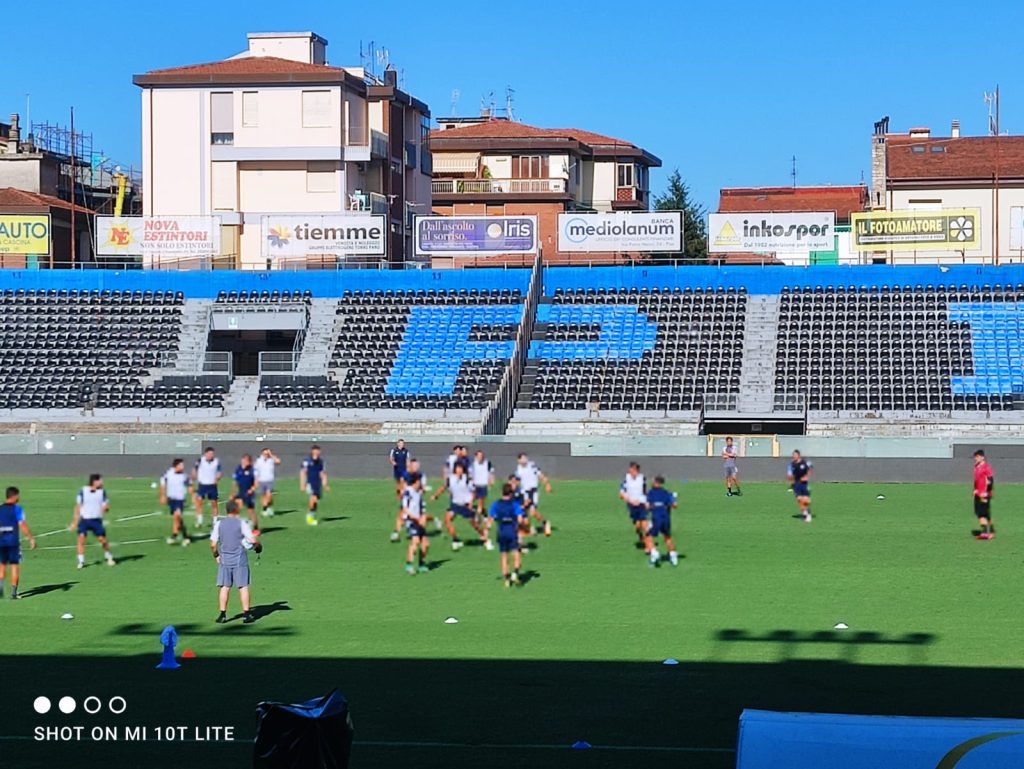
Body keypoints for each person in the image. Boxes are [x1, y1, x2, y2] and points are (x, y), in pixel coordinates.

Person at [211, 499, 261, 624]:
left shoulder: (219, 524)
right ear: (236, 510)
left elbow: (213, 544)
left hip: (225, 559)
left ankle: (222, 614)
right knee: (243, 586)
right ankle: (246, 614)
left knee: (225, 587)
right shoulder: (241, 523)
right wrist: (258, 546)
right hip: (239, 559)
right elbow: (252, 540)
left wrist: (216, 555)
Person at [433, 462, 490, 550]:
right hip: (455, 504)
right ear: (455, 469)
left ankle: (485, 538)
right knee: (447, 520)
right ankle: (456, 540)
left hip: (465, 505)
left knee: (473, 524)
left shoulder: (467, 479)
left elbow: (474, 492)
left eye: (461, 469)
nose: (459, 471)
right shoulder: (450, 479)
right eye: (457, 469)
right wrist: (436, 495)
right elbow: (444, 487)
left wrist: (471, 502)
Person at [69, 473, 115, 569]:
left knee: (102, 540)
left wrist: (105, 508)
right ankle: (81, 561)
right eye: (100, 480)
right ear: (94, 481)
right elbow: (78, 506)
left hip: (96, 520)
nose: (102, 482)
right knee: (81, 539)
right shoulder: (83, 491)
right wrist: (75, 521)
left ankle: (108, 555)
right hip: (84, 520)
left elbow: (105, 505)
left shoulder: (102, 492)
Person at [0, 486, 36, 599]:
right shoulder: (17, 509)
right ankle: (13, 593)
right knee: (14, 566)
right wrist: (31, 538)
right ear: (14, 496)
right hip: (13, 542)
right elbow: (22, 525)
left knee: (2, 566)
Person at [490, 483, 525, 587]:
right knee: (516, 554)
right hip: (511, 531)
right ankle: (515, 573)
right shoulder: (515, 504)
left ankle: (506, 579)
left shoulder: (496, 504)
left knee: (504, 556)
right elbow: (520, 519)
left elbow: (490, 519)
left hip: (501, 532)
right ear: (512, 493)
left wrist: (485, 532)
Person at [515, 453, 553, 536]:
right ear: (519, 460)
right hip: (523, 493)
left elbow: (540, 475)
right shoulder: (518, 470)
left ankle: (545, 523)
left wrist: (546, 484)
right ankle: (529, 529)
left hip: (532, 492)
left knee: (532, 512)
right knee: (523, 513)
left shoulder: (532, 466)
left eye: (525, 458)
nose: (525, 460)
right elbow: (517, 483)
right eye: (523, 459)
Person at [646, 476, 680, 567]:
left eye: (653, 481)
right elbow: (675, 506)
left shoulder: (651, 493)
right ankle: (674, 558)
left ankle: (654, 553)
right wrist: (673, 500)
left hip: (656, 519)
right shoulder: (667, 493)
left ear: (657, 483)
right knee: (667, 537)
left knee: (648, 536)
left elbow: (648, 507)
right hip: (666, 519)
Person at [401, 473, 430, 575]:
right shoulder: (408, 492)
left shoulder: (419, 493)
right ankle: (409, 565)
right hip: (411, 521)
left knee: (425, 544)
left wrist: (424, 517)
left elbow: (421, 508)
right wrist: (415, 518)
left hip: (419, 521)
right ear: (416, 481)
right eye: (420, 481)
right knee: (415, 541)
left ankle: (421, 564)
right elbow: (404, 508)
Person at [160, 458, 192, 546]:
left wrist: (192, 494)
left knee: (177, 516)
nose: (183, 467)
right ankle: (185, 536)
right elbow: (163, 483)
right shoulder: (169, 474)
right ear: (176, 466)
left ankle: (174, 536)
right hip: (171, 499)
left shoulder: (184, 476)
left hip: (180, 499)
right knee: (178, 518)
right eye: (181, 465)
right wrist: (162, 495)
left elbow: (189, 485)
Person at [619, 462, 651, 551]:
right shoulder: (626, 479)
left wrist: (647, 502)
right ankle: (641, 537)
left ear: (636, 470)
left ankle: (648, 546)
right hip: (632, 505)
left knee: (644, 525)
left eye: (632, 470)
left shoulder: (642, 478)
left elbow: (645, 491)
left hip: (641, 504)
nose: (631, 471)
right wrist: (630, 500)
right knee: (637, 526)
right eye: (630, 469)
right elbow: (621, 493)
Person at [191, 447, 222, 528]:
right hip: (202, 485)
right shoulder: (200, 460)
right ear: (205, 454)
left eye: (212, 454)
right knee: (199, 502)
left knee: (214, 504)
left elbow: (219, 472)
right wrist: (193, 478)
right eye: (209, 454)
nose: (211, 455)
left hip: (212, 485)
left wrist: (217, 478)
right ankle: (199, 521)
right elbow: (194, 470)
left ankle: (215, 522)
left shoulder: (216, 461)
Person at [300, 445, 329, 526]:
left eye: (318, 451)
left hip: (317, 484)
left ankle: (311, 516)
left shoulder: (321, 462)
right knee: (313, 499)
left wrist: (325, 485)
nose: (316, 453)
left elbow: (323, 474)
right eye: (315, 451)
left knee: (315, 502)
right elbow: (303, 472)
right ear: (312, 452)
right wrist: (302, 484)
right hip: (310, 483)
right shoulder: (307, 461)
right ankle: (309, 517)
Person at [232, 454, 259, 531]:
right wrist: (233, 493)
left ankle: (256, 528)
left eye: (246, 460)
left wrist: (252, 490)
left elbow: (257, 483)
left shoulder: (253, 470)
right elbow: (235, 482)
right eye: (243, 460)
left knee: (250, 510)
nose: (244, 462)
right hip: (241, 492)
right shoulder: (238, 469)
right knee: (236, 508)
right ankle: (236, 526)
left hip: (249, 493)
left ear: (249, 462)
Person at [470, 449, 496, 529]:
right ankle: (485, 516)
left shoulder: (487, 463)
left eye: (481, 456)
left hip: (483, 486)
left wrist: (491, 480)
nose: (480, 458)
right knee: (470, 503)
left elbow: (491, 473)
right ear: (476, 456)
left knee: (480, 504)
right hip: (475, 486)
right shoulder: (473, 464)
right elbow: (470, 474)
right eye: (478, 456)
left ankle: (477, 519)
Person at [973, 449, 995, 540]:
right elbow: (976, 480)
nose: (976, 459)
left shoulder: (986, 467)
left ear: (982, 457)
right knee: (982, 513)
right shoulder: (976, 467)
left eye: (977, 457)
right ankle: (992, 531)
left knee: (982, 513)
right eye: (975, 457)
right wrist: (975, 490)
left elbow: (990, 481)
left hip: (984, 494)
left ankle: (985, 533)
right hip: (978, 493)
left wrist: (986, 493)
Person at [253, 447, 281, 518]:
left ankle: (267, 508)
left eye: (267, 454)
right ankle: (265, 510)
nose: (266, 455)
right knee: (263, 496)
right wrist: (255, 480)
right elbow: (255, 470)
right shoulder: (259, 461)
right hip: (261, 481)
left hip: (269, 481)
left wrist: (271, 454)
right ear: (262, 454)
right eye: (264, 454)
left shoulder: (271, 460)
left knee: (269, 496)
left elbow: (278, 461)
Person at [788, 450, 813, 523]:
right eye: (793, 455)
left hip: (804, 484)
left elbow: (810, 469)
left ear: (799, 455)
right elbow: (790, 474)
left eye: (795, 455)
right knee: (799, 500)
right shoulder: (792, 464)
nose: (794, 456)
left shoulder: (804, 463)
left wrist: (807, 477)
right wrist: (791, 482)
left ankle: (807, 511)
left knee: (806, 501)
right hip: (796, 484)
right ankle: (806, 515)